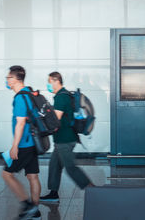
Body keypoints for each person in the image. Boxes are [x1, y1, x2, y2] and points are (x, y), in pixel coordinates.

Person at [40, 71, 93, 203]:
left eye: (49, 82)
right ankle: (53, 193)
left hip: (65, 138)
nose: (48, 85)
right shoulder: (64, 95)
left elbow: (55, 119)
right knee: (54, 165)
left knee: (70, 167)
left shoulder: (61, 97)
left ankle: (92, 189)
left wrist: (41, 121)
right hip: (62, 138)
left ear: (56, 81)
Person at [2, 65, 42, 219]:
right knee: (32, 176)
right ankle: (35, 211)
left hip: (24, 144)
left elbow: (20, 123)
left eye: (8, 78)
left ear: (15, 79)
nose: (7, 81)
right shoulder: (30, 93)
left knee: (6, 174)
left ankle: (27, 205)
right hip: (33, 142)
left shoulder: (20, 97)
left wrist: (14, 146)